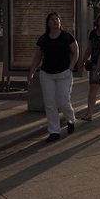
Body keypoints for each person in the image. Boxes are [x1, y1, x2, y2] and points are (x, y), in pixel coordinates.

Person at [27, 12, 78, 143]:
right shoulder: (43, 39)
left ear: (60, 22)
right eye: (52, 19)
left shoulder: (67, 37)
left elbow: (75, 52)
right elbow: (37, 56)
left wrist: (70, 68)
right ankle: (54, 131)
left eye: (57, 19)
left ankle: (70, 120)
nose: (55, 21)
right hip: (47, 74)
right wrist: (31, 72)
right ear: (48, 23)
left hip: (63, 74)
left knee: (63, 101)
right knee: (50, 104)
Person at [78, 12, 100, 121]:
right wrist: (83, 61)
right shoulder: (93, 33)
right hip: (95, 63)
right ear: (97, 22)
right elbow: (89, 49)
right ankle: (89, 113)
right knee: (93, 88)